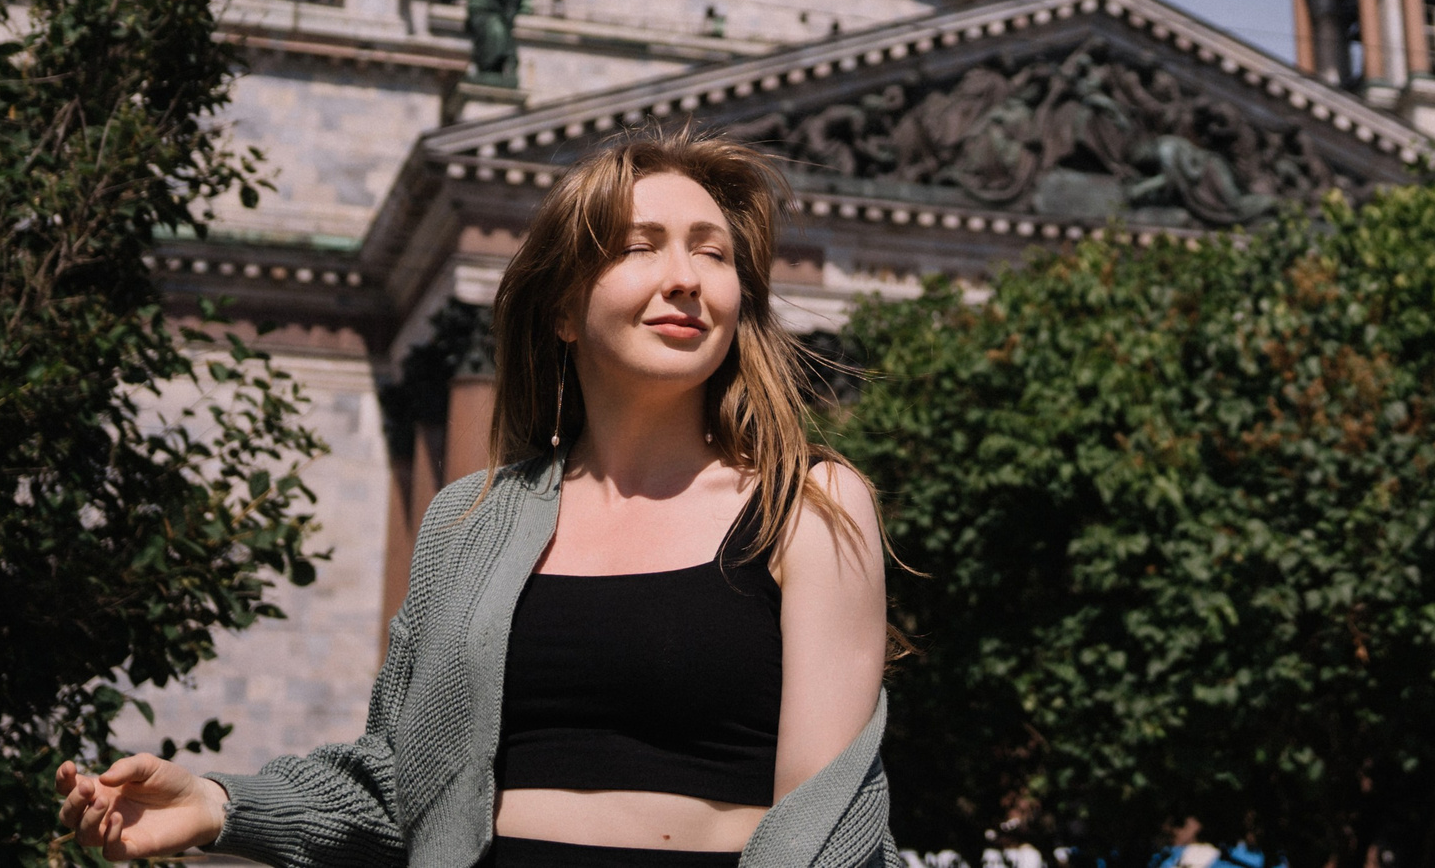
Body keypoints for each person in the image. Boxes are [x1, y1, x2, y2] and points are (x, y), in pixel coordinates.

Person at [55, 135, 893, 868]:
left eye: (714, 254)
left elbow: (825, 820)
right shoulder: (470, 519)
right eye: (641, 246)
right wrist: (219, 805)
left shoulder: (810, 502)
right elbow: (401, 783)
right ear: (563, 307)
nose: (686, 279)